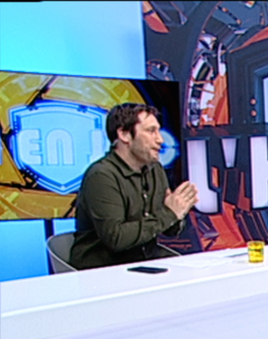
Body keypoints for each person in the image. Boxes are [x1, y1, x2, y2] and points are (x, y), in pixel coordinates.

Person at [69, 103, 198, 270]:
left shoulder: (155, 169)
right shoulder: (101, 176)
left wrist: (178, 212)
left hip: (146, 262)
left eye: (158, 131)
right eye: (151, 131)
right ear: (124, 134)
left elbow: (168, 230)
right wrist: (169, 213)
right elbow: (116, 239)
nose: (160, 139)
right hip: (104, 271)